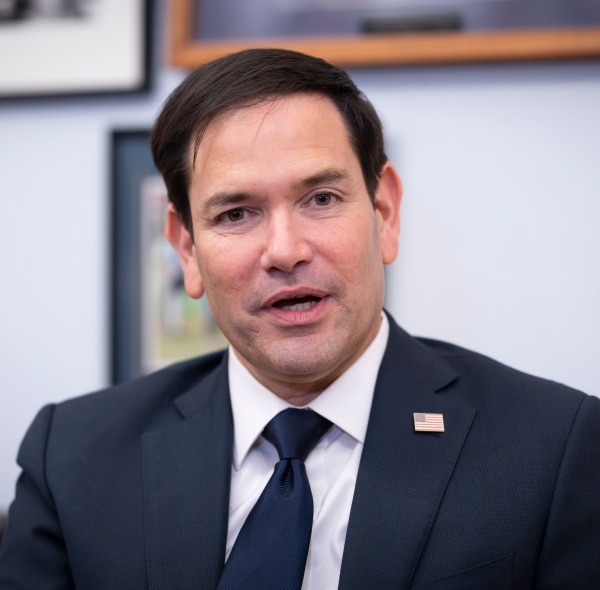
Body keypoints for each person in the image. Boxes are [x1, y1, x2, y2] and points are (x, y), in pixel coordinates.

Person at [0, 48, 598, 590]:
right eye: (236, 213)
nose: (284, 250)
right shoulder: (72, 459)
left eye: (321, 199)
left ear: (384, 212)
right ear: (187, 249)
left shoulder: (555, 449)